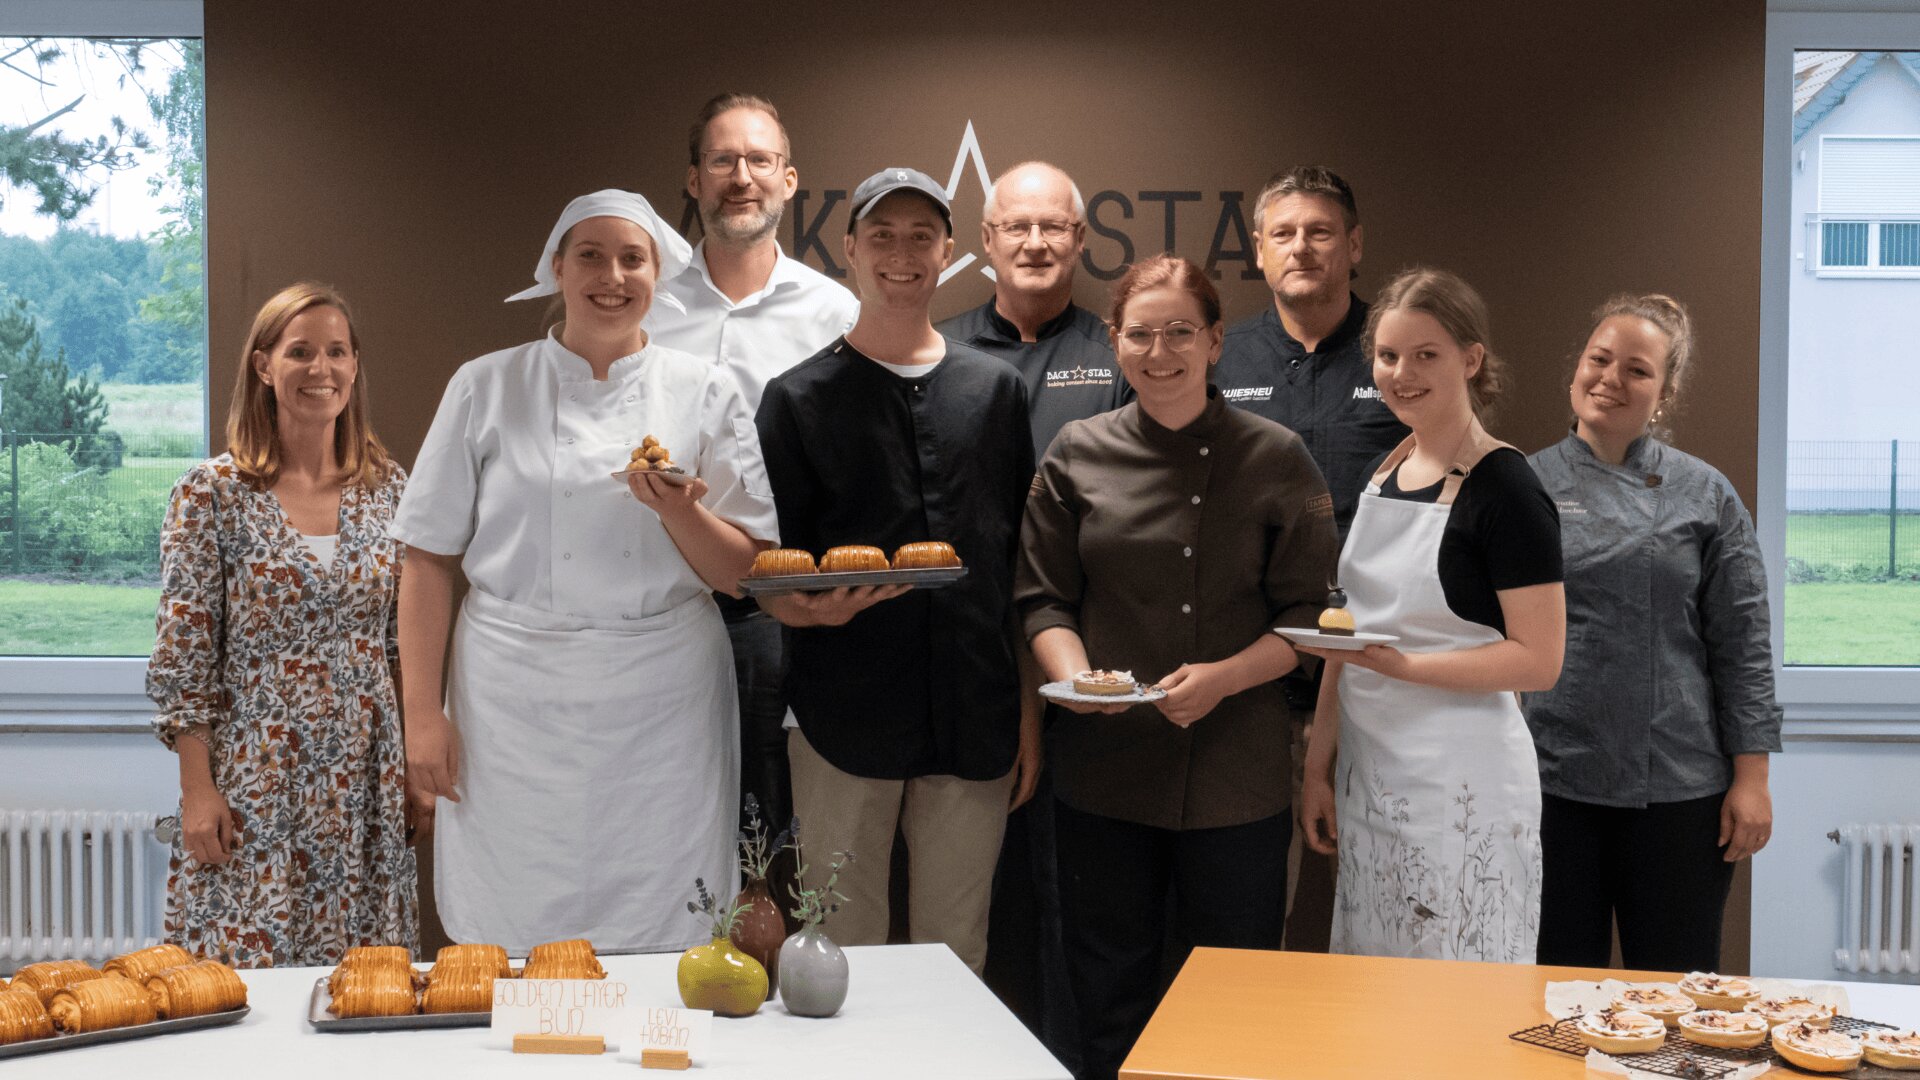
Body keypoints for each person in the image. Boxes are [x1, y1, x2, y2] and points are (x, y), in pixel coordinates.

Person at [394, 190, 777, 952]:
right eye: (592, 256)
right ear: (558, 270)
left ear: (658, 274)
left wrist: (678, 513)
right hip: (511, 701)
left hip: (663, 704)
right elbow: (427, 557)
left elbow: (747, 573)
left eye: (633, 258)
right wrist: (422, 714)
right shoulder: (486, 385)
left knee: (667, 916)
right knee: (510, 925)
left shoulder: (703, 389)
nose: (613, 275)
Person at [1017, 254, 1338, 1080]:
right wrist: (1080, 680)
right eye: (1139, 335)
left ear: (1216, 340)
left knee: (1231, 998)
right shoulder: (1075, 453)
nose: (1159, 352)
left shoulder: (1278, 458)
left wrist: (1227, 675)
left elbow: (1311, 617)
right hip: (1105, 772)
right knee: (1106, 993)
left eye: (1179, 333)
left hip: (1239, 777)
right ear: (1115, 343)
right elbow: (1042, 601)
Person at [755, 167, 1037, 977]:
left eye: (922, 237)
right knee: (838, 957)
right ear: (848, 251)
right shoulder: (797, 400)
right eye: (882, 236)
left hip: (974, 713)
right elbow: (772, 569)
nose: (902, 254)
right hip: (840, 717)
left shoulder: (997, 392)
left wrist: (1026, 715)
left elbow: (1016, 568)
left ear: (949, 253)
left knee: (958, 953)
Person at [1296, 267, 1565, 964]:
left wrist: (1406, 666)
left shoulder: (1506, 487)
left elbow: (1539, 659)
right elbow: (1346, 638)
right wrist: (1318, 768)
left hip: (1461, 788)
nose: (1402, 373)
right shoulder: (1388, 469)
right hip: (1371, 779)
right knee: (1373, 995)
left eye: (1426, 355)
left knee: (1457, 991)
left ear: (1471, 360)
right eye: (1388, 356)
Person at [148, 282, 415, 966]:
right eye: (300, 352)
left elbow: (399, 646)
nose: (319, 370)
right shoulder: (211, 494)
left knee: (363, 977)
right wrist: (196, 789)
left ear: (356, 366)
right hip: (255, 770)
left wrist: (412, 767)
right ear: (264, 365)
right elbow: (185, 655)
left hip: (365, 774)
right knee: (246, 967)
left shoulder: (388, 489)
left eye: (335, 352)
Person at [1526, 294, 1781, 972]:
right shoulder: (1522, 485)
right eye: (1598, 360)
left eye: (1636, 370)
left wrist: (1751, 777)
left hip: (1679, 791)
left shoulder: (1706, 493)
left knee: (1675, 999)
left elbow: (1744, 640)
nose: (1610, 378)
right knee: (1550, 993)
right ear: (1575, 371)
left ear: (1663, 394)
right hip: (1549, 783)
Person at [644, 92, 859, 839]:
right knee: (669, 822)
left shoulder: (836, 314)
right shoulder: (644, 306)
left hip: (778, 613)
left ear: (790, 179)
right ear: (694, 180)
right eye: (722, 161)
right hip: (657, 608)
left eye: (759, 160)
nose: (742, 176)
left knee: (774, 827)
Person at [1213, 166, 1407, 951]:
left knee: (1386, 903)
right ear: (1259, 251)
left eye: (1321, 232)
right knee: (1259, 909)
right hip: (1256, 683)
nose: (1302, 248)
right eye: (1284, 234)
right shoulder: (1222, 359)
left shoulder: (1394, 355)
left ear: (1354, 246)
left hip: (1382, 675)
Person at [938, 161, 1130, 459]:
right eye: (1016, 227)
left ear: (1080, 239)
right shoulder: (938, 351)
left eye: (1054, 227)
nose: (1036, 244)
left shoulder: (1119, 354)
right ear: (988, 239)